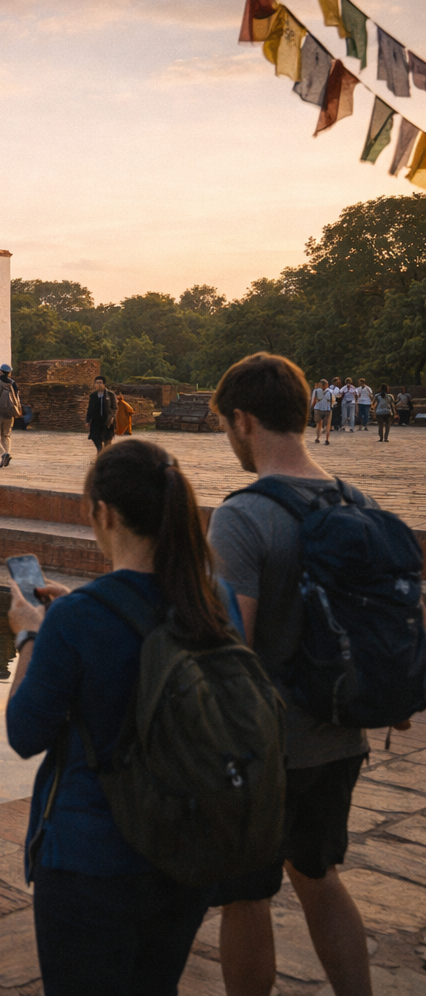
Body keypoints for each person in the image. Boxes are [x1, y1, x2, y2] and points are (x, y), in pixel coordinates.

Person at [6, 438, 231, 995]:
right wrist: (78, 607)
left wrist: (31, 634)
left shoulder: (78, 619)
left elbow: (24, 732)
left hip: (92, 854)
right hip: (186, 845)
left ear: (104, 513)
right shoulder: (215, 599)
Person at [208, 353, 384, 996]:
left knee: (247, 896)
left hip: (268, 743)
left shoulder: (243, 514)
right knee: (319, 878)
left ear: (244, 420)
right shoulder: (353, 499)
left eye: (228, 428)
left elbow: (235, 644)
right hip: (340, 733)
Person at [86, 375, 117, 453]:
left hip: (107, 420)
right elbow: (90, 408)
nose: (98, 385)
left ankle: (106, 456)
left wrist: (112, 417)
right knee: (95, 438)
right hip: (96, 421)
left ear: (104, 384)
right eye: (97, 383)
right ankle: (100, 452)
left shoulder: (110, 395)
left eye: (100, 383)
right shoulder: (93, 396)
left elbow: (114, 408)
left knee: (107, 440)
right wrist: (88, 420)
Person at [309, 378, 332, 445]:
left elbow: (313, 400)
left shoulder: (316, 391)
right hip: (327, 409)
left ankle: (317, 438)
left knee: (318, 424)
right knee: (328, 424)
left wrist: (312, 408)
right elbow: (333, 401)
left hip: (318, 409)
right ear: (327, 385)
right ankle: (327, 439)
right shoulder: (330, 391)